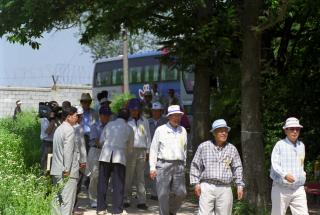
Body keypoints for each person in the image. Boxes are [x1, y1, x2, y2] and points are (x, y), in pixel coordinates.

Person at [190, 119, 244, 215]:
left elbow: (237, 167)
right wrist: (196, 183)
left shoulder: (232, 149)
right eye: (221, 130)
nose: (224, 133)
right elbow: (195, 165)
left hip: (225, 188)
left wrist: (239, 185)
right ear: (214, 133)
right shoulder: (204, 146)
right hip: (207, 186)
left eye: (225, 131)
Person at [149, 105, 188, 215]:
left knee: (181, 193)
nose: (177, 118)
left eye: (179, 115)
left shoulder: (183, 130)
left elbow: (184, 149)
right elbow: (153, 149)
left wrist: (184, 163)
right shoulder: (160, 130)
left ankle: (171, 211)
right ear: (169, 117)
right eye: (174, 116)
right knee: (162, 194)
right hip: (163, 164)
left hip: (179, 165)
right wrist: (152, 167)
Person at [97, 108, 134, 215]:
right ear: (128, 118)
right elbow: (130, 148)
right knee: (118, 184)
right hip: (119, 157)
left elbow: (101, 141)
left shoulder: (109, 125)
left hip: (105, 156)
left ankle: (101, 208)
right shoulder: (129, 128)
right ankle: (117, 210)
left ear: (117, 116)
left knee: (102, 183)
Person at [270, 117, 308, 215]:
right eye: (291, 129)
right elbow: (275, 164)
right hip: (281, 188)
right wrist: (285, 175)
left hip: (298, 188)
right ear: (285, 130)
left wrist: (303, 175)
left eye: (297, 129)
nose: (295, 131)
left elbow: (301, 164)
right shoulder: (279, 145)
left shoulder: (302, 145)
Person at [50, 106, 79, 215]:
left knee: (56, 202)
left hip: (56, 170)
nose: (77, 118)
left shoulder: (59, 129)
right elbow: (68, 151)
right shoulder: (69, 130)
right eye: (75, 116)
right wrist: (67, 169)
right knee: (67, 203)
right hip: (67, 173)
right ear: (68, 117)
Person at [124, 98, 151, 210]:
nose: (134, 111)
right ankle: (126, 198)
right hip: (129, 151)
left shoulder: (145, 121)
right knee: (128, 176)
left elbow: (148, 136)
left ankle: (142, 201)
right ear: (129, 110)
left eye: (136, 109)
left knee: (140, 177)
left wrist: (148, 151)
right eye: (132, 109)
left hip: (142, 151)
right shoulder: (126, 121)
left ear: (139, 109)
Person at [87, 106, 112, 208]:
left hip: (107, 152)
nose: (107, 117)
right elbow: (96, 140)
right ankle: (93, 199)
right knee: (95, 176)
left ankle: (102, 198)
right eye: (105, 115)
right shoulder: (94, 126)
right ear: (100, 116)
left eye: (108, 115)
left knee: (106, 177)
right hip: (96, 151)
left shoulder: (111, 126)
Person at [146, 102, 167, 200]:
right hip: (149, 150)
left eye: (157, 111)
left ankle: (158, 192)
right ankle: (149, 192)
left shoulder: (165, 122)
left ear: (161, 111)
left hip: (161, 150)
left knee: (160, 172)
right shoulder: (147, 121)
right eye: (153, 111)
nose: (155, 113)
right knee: (148, 171)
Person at [73, 106, 87, 212]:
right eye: (80, 116)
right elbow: (82, 146)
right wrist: (83, 161)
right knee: (77, 184)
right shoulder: (78, 128)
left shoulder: (65, 126)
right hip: (77, 160)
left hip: (70, 160)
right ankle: (74, 206)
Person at [39, 109, 59, 174]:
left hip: (55, 143)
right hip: (47, 144)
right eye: (51, 111)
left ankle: (50, 176)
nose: (52, 113)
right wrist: (53, 122)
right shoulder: (44, 120)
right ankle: (44, 176)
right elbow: (48, 132)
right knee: (46, 162)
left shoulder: (57, 119)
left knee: (52, 162)